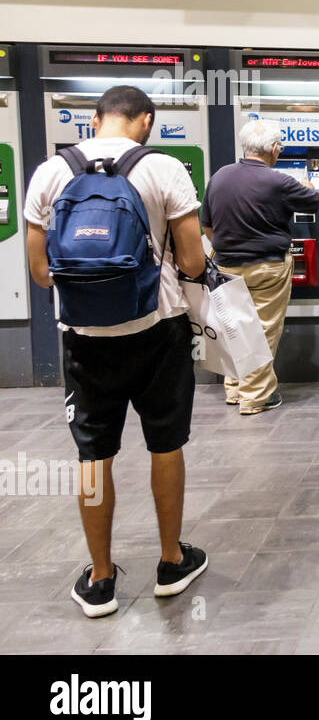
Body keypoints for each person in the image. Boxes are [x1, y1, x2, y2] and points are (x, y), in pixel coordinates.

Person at [25, 85, 210, 618]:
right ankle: (172, 562)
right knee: (165, 445)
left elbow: (41, 274)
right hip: (158, 331)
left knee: (92, 456)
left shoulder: (49, 172)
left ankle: (101, 579)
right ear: (145, 121)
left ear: (95, 118)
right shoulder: (165, 169)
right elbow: (195, 263)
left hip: (85, 340)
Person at [200, 119, 319, 415]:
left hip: (226, 266)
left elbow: (206, 224)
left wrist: (229, 246)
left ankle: (234, 390)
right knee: (264, 330)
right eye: (279, 147)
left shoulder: (220, 177)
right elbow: (318, 202)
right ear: (272, 149)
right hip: (267, 267)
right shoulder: (278, 181)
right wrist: (309, 186)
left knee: (234, 328)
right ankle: (256, 397)